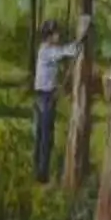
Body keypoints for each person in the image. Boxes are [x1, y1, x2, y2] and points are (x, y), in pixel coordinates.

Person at [33, 16, 86, 184]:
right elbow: (63, 52)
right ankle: (41, 174)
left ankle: (40, 171)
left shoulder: (48, 50)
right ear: (49, 35)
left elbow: (63, 53)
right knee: (45, 136)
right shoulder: (46, 50)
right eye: (56, 33)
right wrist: (77, 44)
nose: (58, 36)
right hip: (45, 97)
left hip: (46, 96)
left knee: (43, 135)